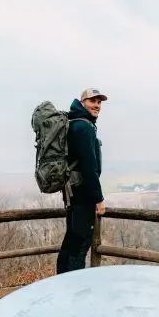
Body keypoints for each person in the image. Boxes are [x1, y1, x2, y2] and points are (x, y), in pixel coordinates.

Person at [56, 88, 107, 274]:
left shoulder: (73, 123)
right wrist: (98, 199)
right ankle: (74, 290)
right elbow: (89, 167)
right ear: (82, 102)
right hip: (82, 195)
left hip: (72, 193)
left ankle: (60, 284)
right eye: (93, 101)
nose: (97, 105)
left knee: (71, 242)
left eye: (99, 102)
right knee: (80, 244)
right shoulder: (84, 127)